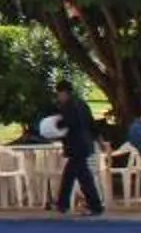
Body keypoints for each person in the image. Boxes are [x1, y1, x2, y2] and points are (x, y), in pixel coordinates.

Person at [43, 82, 105, 216]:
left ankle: (95, 206)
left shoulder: (67, 107)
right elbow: (92, 123)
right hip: (85, 144)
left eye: (58, 94)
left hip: (76, 146)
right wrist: (100, 141)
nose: (58, 98)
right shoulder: (82, 104)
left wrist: (54, 129)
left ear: (63, 93)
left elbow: (66, 125)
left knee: (84, 177)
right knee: (71, 175)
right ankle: (62, 204)